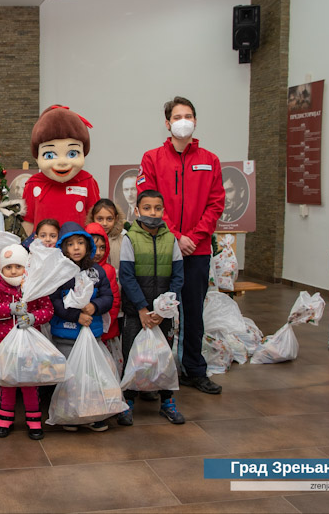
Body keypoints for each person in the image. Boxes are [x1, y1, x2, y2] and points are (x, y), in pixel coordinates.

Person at [138, 96, 225, 395]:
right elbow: (147, 201)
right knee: (158, 308)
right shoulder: (152, 158)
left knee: (193, 311)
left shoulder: (210, 160)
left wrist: (195, 237)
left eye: (188, 115)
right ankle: (156, 368)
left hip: (198, 249)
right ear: (168, 123)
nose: (183, 120)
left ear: (196, 120)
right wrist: (175, 235)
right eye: (178, 116)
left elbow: (216, 204)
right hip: (162, 246)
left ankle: (194, 369)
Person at [116, 190, 185, 426]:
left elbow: (178, 276)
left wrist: (164, 309)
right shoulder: (130, 238)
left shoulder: (171, 239)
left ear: (163, 211)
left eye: (157, 208)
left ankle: (167, 401)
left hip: (163, 313)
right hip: (137, 312)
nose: (152, 213)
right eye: (147, 208)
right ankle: (129, 401)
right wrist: (143, 309)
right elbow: (127, 276)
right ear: (137, 211)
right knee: (133, 356)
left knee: (165, 357)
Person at [0, 244, 53, 440]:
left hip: (29, 346)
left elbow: (48, 310)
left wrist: (33, 317)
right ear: (1, 269)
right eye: (8, 267)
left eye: (18, 266)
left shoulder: (34, 285)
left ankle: (34, 420)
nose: (13, 271)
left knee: (30, 384)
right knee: (7, 383)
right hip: (4, 345)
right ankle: (5, 419)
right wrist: (9, 308)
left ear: (26, 268)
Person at [49, 222, 114, 432]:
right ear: (62, 248)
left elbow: (108, 297)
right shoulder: (58, 273)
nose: (76, 248)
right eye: (70, 244)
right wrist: (77, 316)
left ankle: (95, 414)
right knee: (71, 379)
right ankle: (70, 415)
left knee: (94, 377)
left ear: (87, 245)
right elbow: (55, 302)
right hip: (66, 335)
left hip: (92, 337)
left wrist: (94, 306)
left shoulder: (97, 272)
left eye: (80, 243)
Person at [24, 105, 100, 232]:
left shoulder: (87, 181)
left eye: (72, 154)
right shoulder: (33, 184)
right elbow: (28, 221)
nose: (62, 162)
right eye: (49, 155)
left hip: (77, 249)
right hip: (44, 249)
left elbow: (95, 219)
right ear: (37, 156)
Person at [85, 222, 121, 344]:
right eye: (94, 247)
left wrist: (105, 327)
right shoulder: (78, 269)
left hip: (105, 331)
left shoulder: (108, 270)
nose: (98, 252)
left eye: (102, 247)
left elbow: (114, 302)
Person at [87, 199, 127, 271]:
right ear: (92, 218)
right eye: (100, 219)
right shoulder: (86, 240)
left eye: (109, 219)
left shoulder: (124, 240)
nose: (104, 223)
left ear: (116, 218)